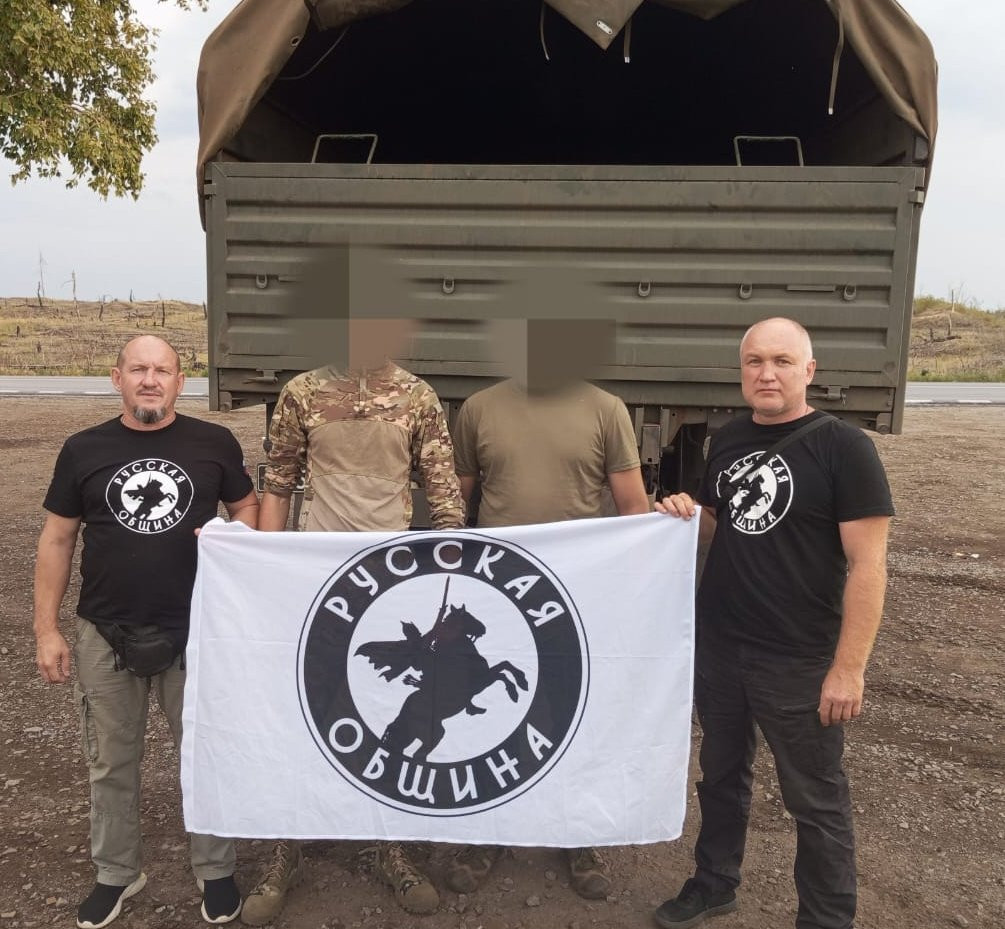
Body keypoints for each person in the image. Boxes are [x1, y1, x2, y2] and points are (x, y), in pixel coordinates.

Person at [653, 317, 894, 929]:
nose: (767, 374)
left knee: (815, 799)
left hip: (799, 658)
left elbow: (869, 566)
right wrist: (684, 513)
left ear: (809, 371)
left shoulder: (845, 448)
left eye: (782, 362)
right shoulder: (729, 438)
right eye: (755, 361)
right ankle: (714, 884)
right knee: (720, 776)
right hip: (722, 648)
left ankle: (825, 919)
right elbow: (720, 525)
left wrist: (849, 669)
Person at [241, 319, 465, 925]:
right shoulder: (301, 393)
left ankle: (389, 844)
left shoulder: (418, 397)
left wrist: (449, 581)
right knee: (305, 707)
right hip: (317, 584)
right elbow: (278, 484)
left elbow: (444, 498)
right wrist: (267, 570)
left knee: (383, 711)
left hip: (389, 588)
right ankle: (286, 846)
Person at [33, 335, 260, 929]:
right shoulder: (83, 449)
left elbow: (247, 507)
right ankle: (116, 872)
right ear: (118, 379)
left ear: (181, 382)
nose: (151, 380)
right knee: (110, 761)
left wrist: (231, 536)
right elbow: (57, 538)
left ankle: (215, 868)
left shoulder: (214, 443)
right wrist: (46, 629)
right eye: (139, 369)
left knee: (205, 753)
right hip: (105, 631)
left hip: (197, 629)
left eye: (162, 370)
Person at [446, 318, 652, 900]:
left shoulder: (605, 409)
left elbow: (633, 506)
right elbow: (455, 505)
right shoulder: (478, 410)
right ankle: (487, 830)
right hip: (499, 594)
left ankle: (576, 832)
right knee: (490, 715)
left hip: (576, 594)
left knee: (570, 710)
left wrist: (646, 575)